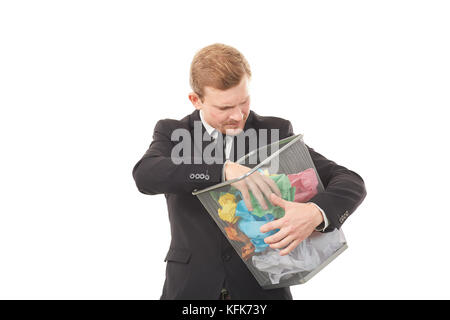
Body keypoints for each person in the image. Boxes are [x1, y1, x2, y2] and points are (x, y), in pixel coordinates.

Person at [132, 43, 367, 300]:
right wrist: (222, 170)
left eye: (243, 102)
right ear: (195, 100)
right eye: (224, 108)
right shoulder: (173, 132)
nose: (237, 115)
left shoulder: (274, 132)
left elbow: (349, 181)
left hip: (262, 292)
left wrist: (314, 213)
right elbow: (146, 174)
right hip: (191, 288)